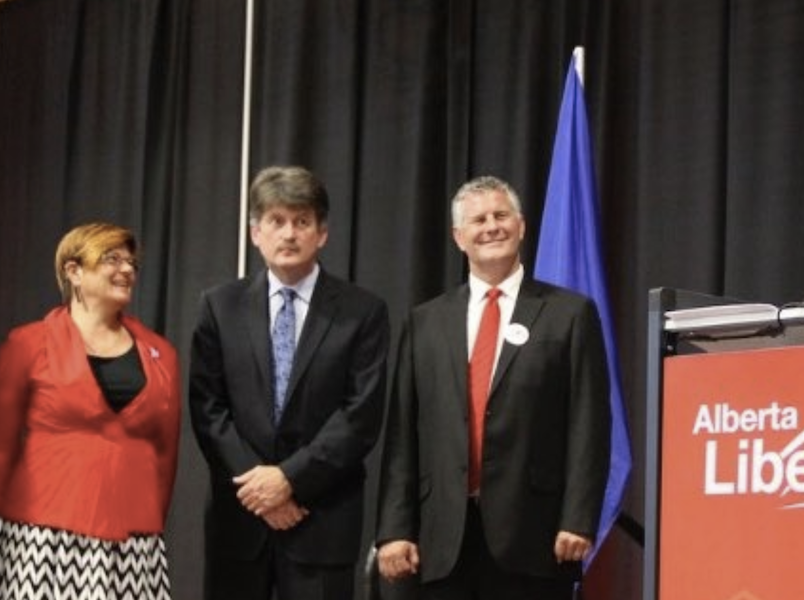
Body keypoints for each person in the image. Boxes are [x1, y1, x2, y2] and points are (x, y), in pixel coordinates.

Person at [374, 175, 611, 599]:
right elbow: (402, 435)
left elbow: (589, 425)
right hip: (442, 538)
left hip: (535, 537)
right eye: (478, 219)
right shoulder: (425, 321)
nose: (491, 226)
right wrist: (394, 529)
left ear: (521, 225)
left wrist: (578, 518)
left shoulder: (569, 314)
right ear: (458, 236)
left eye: (501, 215)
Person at [189, 165, 390, 600]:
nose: (289, 234)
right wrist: (260, 489)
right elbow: (208, 409)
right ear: (255, 232)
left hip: (321, 520)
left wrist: (289, 480)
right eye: (276, 221)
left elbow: (360, 416)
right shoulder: (219, 307)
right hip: (239, 524)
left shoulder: (363, 312)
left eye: (301, 221)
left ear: (322, 233)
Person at [0, 222, 180, 599]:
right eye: (112, 259)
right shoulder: (28, 343)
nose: (127, 270)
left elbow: (166, 453)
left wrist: (149, 524)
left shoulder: (161, 353)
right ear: (74, 271)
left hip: (133, 542)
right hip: (44, 534)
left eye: (132, 263)